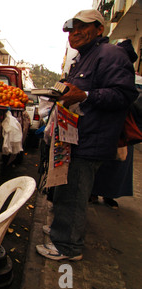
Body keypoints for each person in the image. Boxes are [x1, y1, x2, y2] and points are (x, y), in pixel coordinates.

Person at [36, 9, 139, 261]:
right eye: (71, 29)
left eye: (83, 27)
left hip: (91, 139)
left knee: (74, 192)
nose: (75, 33)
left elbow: (123, 95)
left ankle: (68, 246)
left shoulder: (110, 54)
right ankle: (62, 228)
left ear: (99, 29)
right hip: (72, 138)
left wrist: (85, 95)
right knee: (63, 188)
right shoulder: (84, 58)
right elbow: (75, 90)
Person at [90, 39, 140, 210]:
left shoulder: (128, 75)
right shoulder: (107, 68)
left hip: (121, 128)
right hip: (104, 126)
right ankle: (93, 192)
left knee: (118, 163)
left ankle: (109, 194)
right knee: (99, 163)